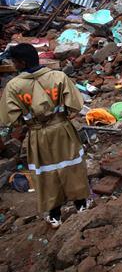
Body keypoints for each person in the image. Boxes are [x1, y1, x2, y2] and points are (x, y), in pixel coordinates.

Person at [0, 44, 91, 228]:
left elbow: (10, 119)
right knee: (72, 165)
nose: (13, 64)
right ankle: (81, 204)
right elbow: (75, 105)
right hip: (62, 129)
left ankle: (55, 215)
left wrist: (29, 121)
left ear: (22, 62)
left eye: (14, 61)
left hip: (38, 134)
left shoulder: (13, 86)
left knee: (45, 171)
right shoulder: (58, 76)